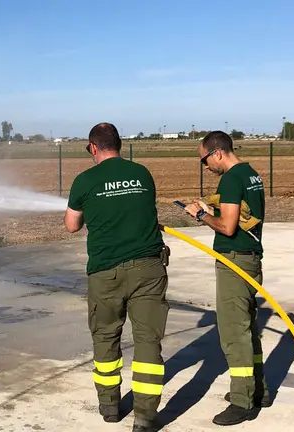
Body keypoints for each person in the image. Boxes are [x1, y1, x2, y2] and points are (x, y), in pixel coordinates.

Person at [64, 122, 170, 432]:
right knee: (148, 341)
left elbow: (71, 225)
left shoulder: (84, 181)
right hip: (149, 269)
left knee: (106, 337)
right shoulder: (142, 174)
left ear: (93, 147)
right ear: (119, 145)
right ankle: (146, 417)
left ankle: (109, 406)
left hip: (106, 274)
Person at [182, 130, 271, 426]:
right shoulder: (250, 174)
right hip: (250, 259)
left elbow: (228, 227)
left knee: (234, 333)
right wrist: (213, 208)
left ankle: (243, 402)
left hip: (234, 261)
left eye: (205, 160)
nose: (205, 167)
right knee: (247, 328)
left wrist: (199, 215)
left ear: (217, 152)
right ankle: (259, 390)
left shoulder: (231, 179)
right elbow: (242, 214)